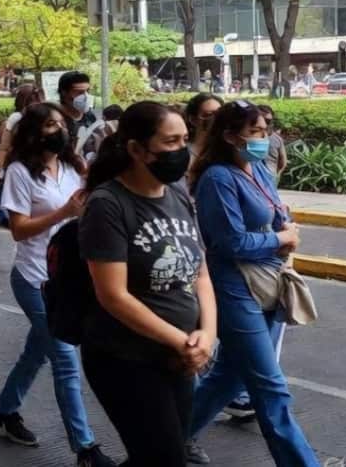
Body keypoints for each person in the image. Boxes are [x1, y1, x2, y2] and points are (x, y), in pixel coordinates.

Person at [78, 102, 216, 466]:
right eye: (170, 142)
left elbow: (200, 272)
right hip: (126, 358)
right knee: (165, 459)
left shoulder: (178, 194)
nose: (181, 152)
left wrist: (207, 335)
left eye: (185, 140)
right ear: (137, 149)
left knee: (155, 457)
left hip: (178, 356)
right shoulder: (107, 204)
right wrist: (183, 342)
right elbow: (113, 296)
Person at [187, 100, 318, 467]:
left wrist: (286, 227)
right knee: (270, 388)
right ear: (229, 136)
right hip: (234, 289)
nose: (264, 139)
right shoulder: (217, 179)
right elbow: (228, 243)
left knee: (227, 377)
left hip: (265, 282)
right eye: (255, 133)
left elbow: (276, 210)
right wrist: (280, 240)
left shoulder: (257, 168)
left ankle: (169, 438)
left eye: (266, 130)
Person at [0, 102, 115, 467]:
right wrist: (63, 213)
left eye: (61, 124)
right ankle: (85, 448)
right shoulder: (19, 172)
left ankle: (5, 410)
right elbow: (18, 229)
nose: (57, 130)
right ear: (32, 132)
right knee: (64, 358)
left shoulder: (74, 168)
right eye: (48, 125)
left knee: (37, 351)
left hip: (69, 278)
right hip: (34, 278)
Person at [0, 83, 43, 264]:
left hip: (37, 173)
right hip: (13, 174)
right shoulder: (16, 119)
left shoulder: (47, 118)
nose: (34, 103)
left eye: (37, 99)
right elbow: (4, 148)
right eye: (31, 99)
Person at [57, 72, 96, 148]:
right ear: (64, 93)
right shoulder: (55, 119)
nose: (85, 96)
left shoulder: (90, 115)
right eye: (79, 92)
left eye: (87, 91)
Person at [258, 104, 288, 179]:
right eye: (262, 119)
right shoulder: (248, 138)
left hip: (270, 178)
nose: (264, 123)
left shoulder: (277, 139)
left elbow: (283, 162)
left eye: (268, 121)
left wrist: (276, 175)